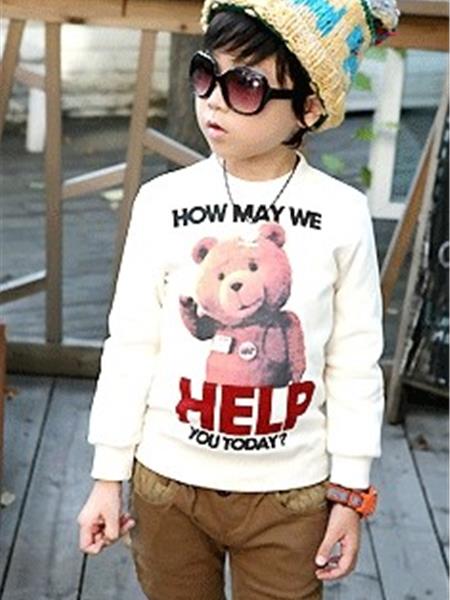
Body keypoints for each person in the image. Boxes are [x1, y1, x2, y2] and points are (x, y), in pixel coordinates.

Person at [78, 0, 399, 598]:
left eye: (245, 85)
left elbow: (355, 362)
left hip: (292, 495)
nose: (215, 101)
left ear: (308, 107)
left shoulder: (342, 213)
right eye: (206, 74)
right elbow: (131, 344)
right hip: (168, 485)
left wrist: (351, 491)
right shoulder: (161, 202)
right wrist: (107, 475)